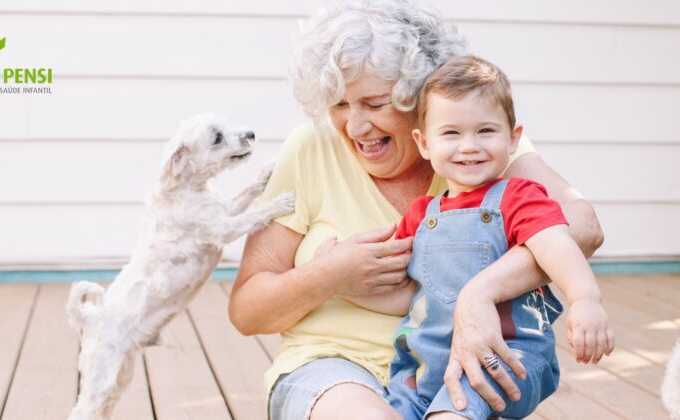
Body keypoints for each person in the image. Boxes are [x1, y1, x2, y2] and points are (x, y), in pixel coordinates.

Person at [228, 1, 606, 419]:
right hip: (332, 364)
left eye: (375, 104)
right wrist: (328, 275)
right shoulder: (309, 148)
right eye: (339, 105)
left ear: (423, 96)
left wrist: (477, 294)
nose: (354, 127)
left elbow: (582, 225)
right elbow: (247, 310)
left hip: (460, 366)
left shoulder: (473, 144)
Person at [340, 55, 614, 419]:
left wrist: (584, 298)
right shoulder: (421, 215)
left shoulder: (518, 197)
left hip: (504, 358)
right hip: (425, 368)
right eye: (451, 133)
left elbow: (556, 244)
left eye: (485, 131)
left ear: (513, 137)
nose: (469, 145)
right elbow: (410, 293)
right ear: (424, 143)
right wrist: (342, 284)